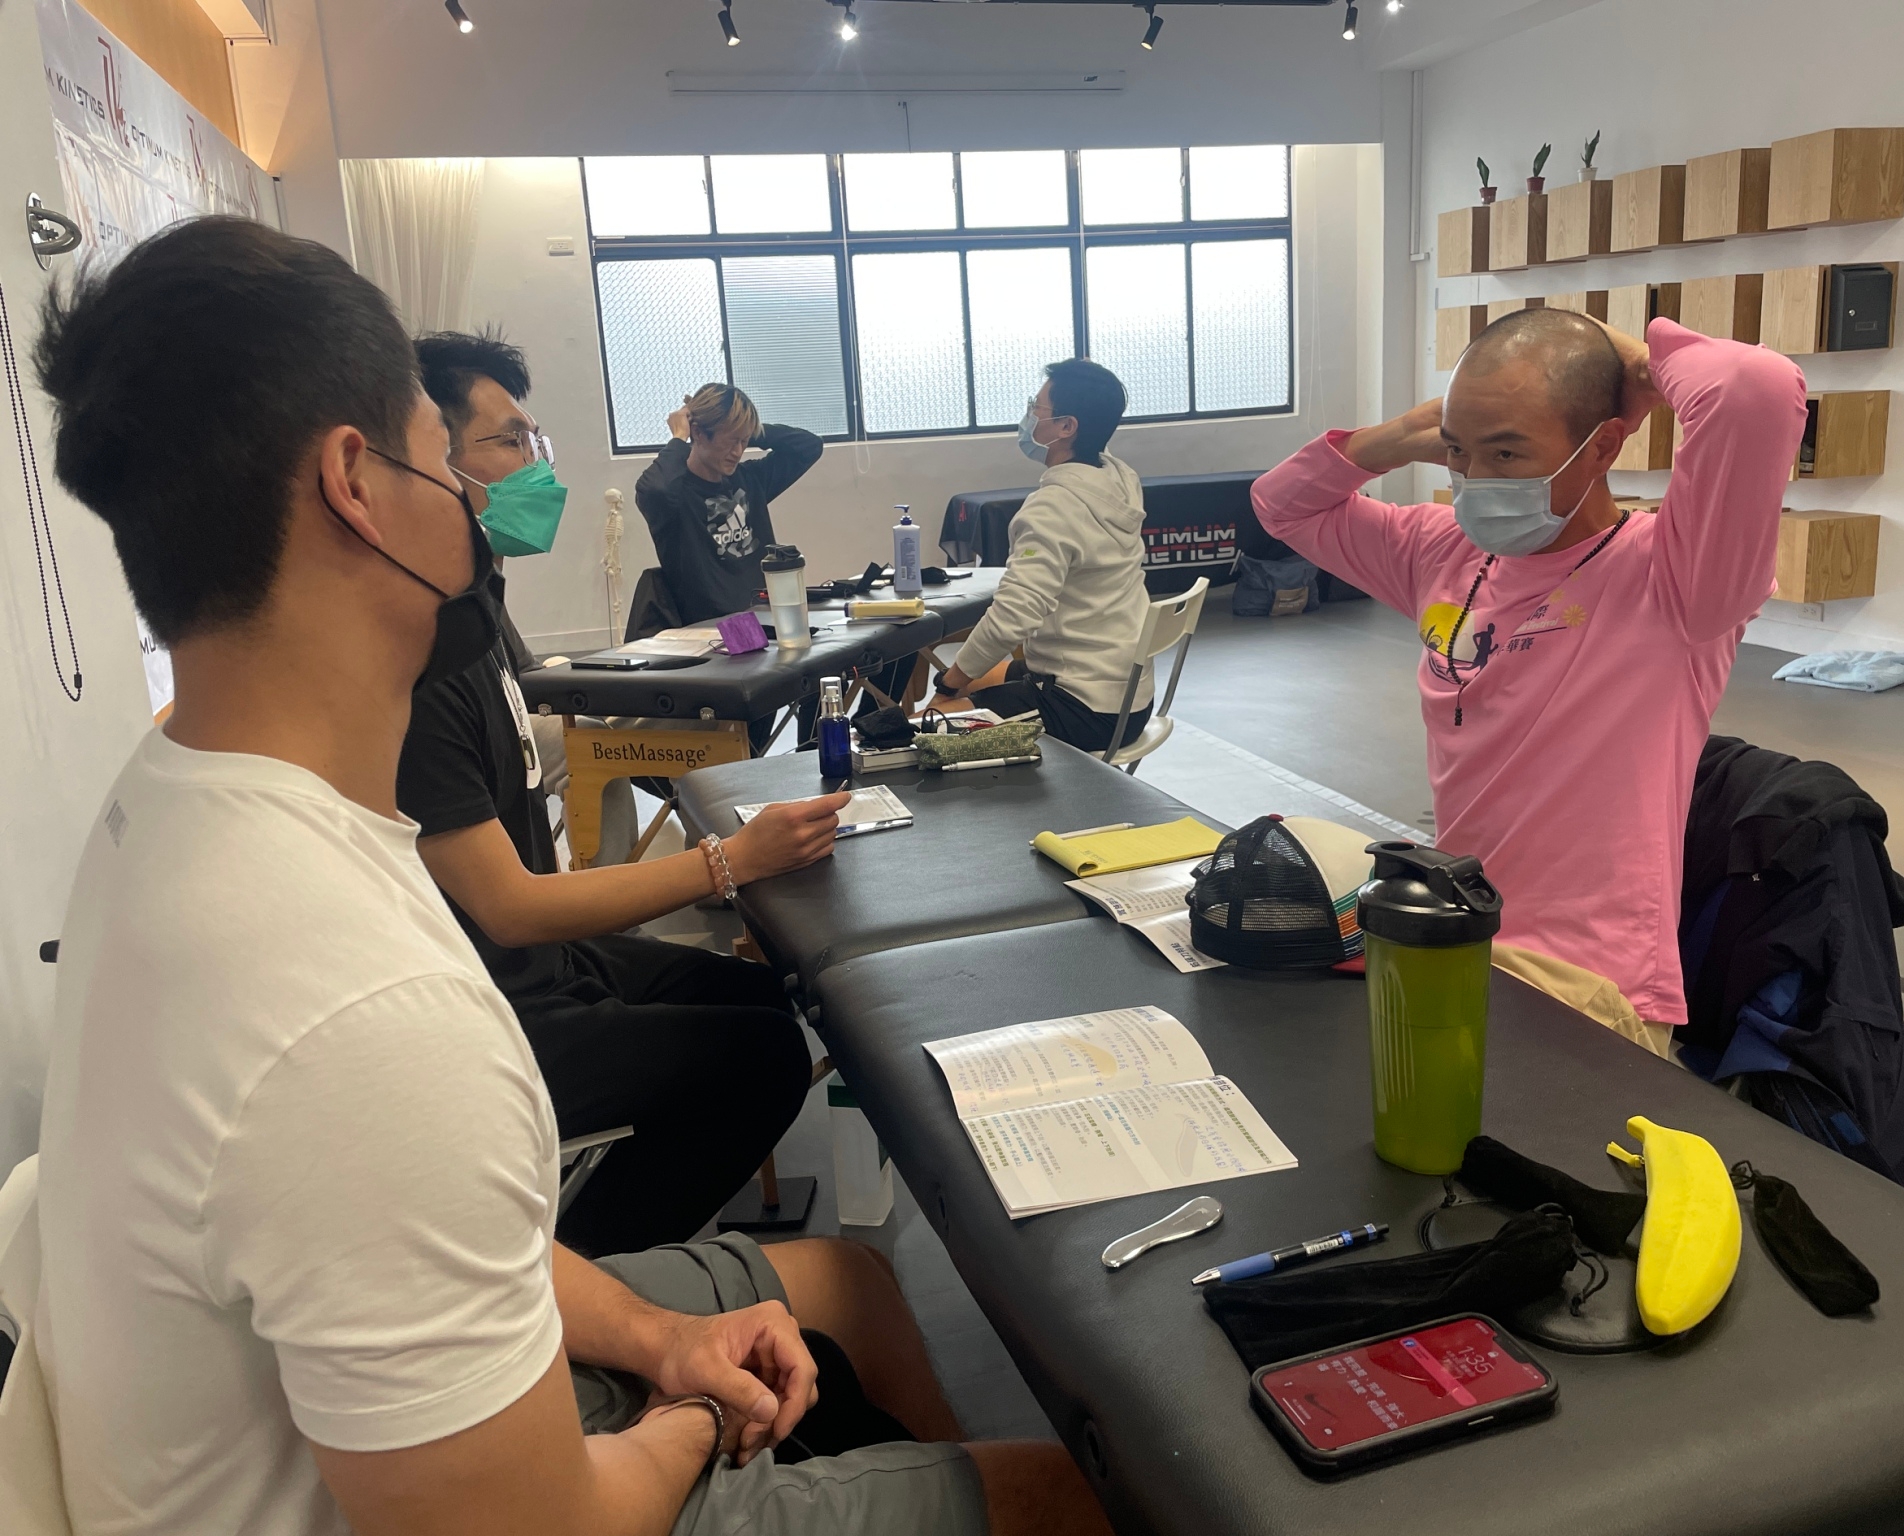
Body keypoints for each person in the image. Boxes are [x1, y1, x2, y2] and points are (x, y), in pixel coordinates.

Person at [34, 215, 1109, 1536]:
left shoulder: (175, 808)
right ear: (356, 483)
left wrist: (660, 1339)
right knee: (1072, 1496)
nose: (484, 495)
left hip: (355, 1406)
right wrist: (697, 1410)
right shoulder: (361, 1018)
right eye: (449, 457)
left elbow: (419, 1231)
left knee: (849, 1290)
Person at [400, 328, 850, 1255]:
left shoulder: (479, 614)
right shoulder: (422, 660)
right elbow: (509, 908)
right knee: (763, 1057)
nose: (537, 463)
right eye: (509, 441)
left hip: (549, 959)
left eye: (534, 437)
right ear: (424, 461)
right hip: (499, 1001)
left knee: (762, 998)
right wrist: (729, 861)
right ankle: (586, 1286)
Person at [1252, 310, 1807, 1046]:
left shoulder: (1680, 579)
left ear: (1602, 445)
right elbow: (1281, 504)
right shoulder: (1444, 551)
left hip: (1590, 982)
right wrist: (1409, 432)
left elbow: (1753, 387)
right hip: (1462, 937)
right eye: (1460, 452)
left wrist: (1637, 362)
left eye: (1506, 452)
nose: (1476, 480)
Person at [930, 359, 1155, 753]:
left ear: (1067, 426)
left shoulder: (1052, 508)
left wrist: (949, 684)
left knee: (925, 729)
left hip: (1083, 709)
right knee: (976, 679)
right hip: (1129, 698)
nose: (1029, 416)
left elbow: (1012, 616)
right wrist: (959, 681)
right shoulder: (1119, 479)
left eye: (1036, 407)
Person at [635, 382, 823, 627]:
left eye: (744, 442)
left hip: (766, 618)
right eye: (731, 441)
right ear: (698, 433)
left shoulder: (750, 479)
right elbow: (653, 489)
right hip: (712, 630)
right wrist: (679, 438)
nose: (738, 451)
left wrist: (747, 429)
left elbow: (809, 446)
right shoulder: (673, 497)